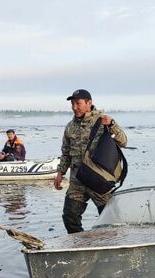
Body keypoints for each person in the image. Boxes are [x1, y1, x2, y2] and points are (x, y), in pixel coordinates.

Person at [53, 89, 127, 233]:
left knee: (111, 219)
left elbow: (123, 141)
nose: (74, 107)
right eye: (72, 104)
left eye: (78, 103)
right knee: (70, 217)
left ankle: (113, 246)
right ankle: (79, 246)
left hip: (98, 178)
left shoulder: (103, 121)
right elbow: (66, 152)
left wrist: (112, 124)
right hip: (77, 179)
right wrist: (60, 172)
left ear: (89, 103)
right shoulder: (70, 126)